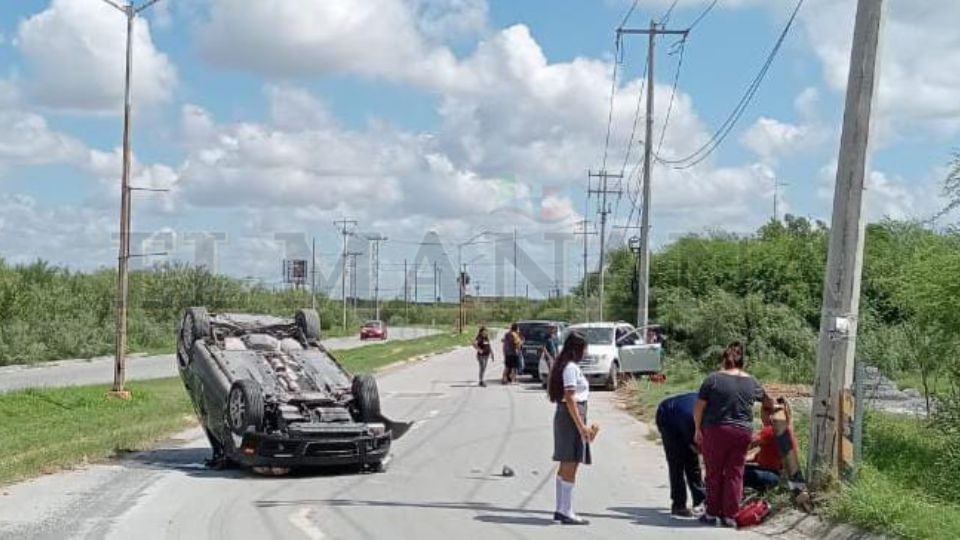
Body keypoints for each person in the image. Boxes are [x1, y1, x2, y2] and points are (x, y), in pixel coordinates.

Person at [694, 342, 774, 527]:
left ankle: (712, 513)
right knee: (735, 473)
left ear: (724, 358)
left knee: (713, 472)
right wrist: (770, 411)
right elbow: (767, 400)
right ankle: (730, 515)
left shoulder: (712, 379)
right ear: (743, 361)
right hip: (742, 433)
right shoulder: (752, 381)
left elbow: (699, 408)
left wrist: (697, 429)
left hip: (716, 431)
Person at [548, 331, 596, 526]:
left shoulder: (568, 366)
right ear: (577, 349)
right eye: (585, 347)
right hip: (571, 417)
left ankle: (561, 508)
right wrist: (582, 426)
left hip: (570, 415)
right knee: (570, 463)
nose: (586, 351)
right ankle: (566, 511)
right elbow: (569, 397)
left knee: (566, 463)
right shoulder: (570, 368)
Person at [655, 392, 706, 517]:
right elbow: (697, 449)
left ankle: (700, 501)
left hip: (682, 414)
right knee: (678, 462)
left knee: (692, 464)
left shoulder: (713, 411)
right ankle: (678, 505)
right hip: (667, 416)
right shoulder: (693, 419)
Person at [744, 400, 792, 493]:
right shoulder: (786, 429)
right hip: (781, 477)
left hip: (772, 476)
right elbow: (757, 456)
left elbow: (745, 445)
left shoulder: (770, 430)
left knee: (731, 473)